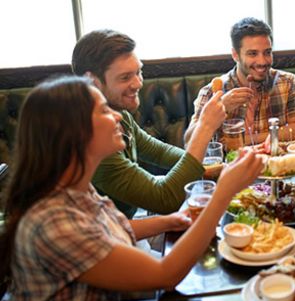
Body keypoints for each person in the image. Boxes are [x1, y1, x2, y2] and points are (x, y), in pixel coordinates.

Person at [0, 76, 265, 301]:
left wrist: (171, 221)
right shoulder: (53, 222)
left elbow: (109, 228)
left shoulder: (74, 187)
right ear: (73, 133)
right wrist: (222, 193)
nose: (117, 117)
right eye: (104, 110)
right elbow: (166, 275)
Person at [72, 29, 224, 218]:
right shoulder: (91, 139)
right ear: (92, 81)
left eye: (139, 72)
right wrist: (205, 127)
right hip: (111, 238)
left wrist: (218, 167)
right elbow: (163, 199)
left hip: (128, 223)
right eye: (125, 77)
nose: (138, 83)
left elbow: (160, 152)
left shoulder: (121, 115)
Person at [184, 17, 295, 146]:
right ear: (235, 55)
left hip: (279, 163)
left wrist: (244, 140)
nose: (262, 61)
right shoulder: (211, 92)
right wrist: (220, 109)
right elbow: (189, 142)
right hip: (231, 165)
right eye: (252, 54)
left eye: (267, 52)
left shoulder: (289, 82)